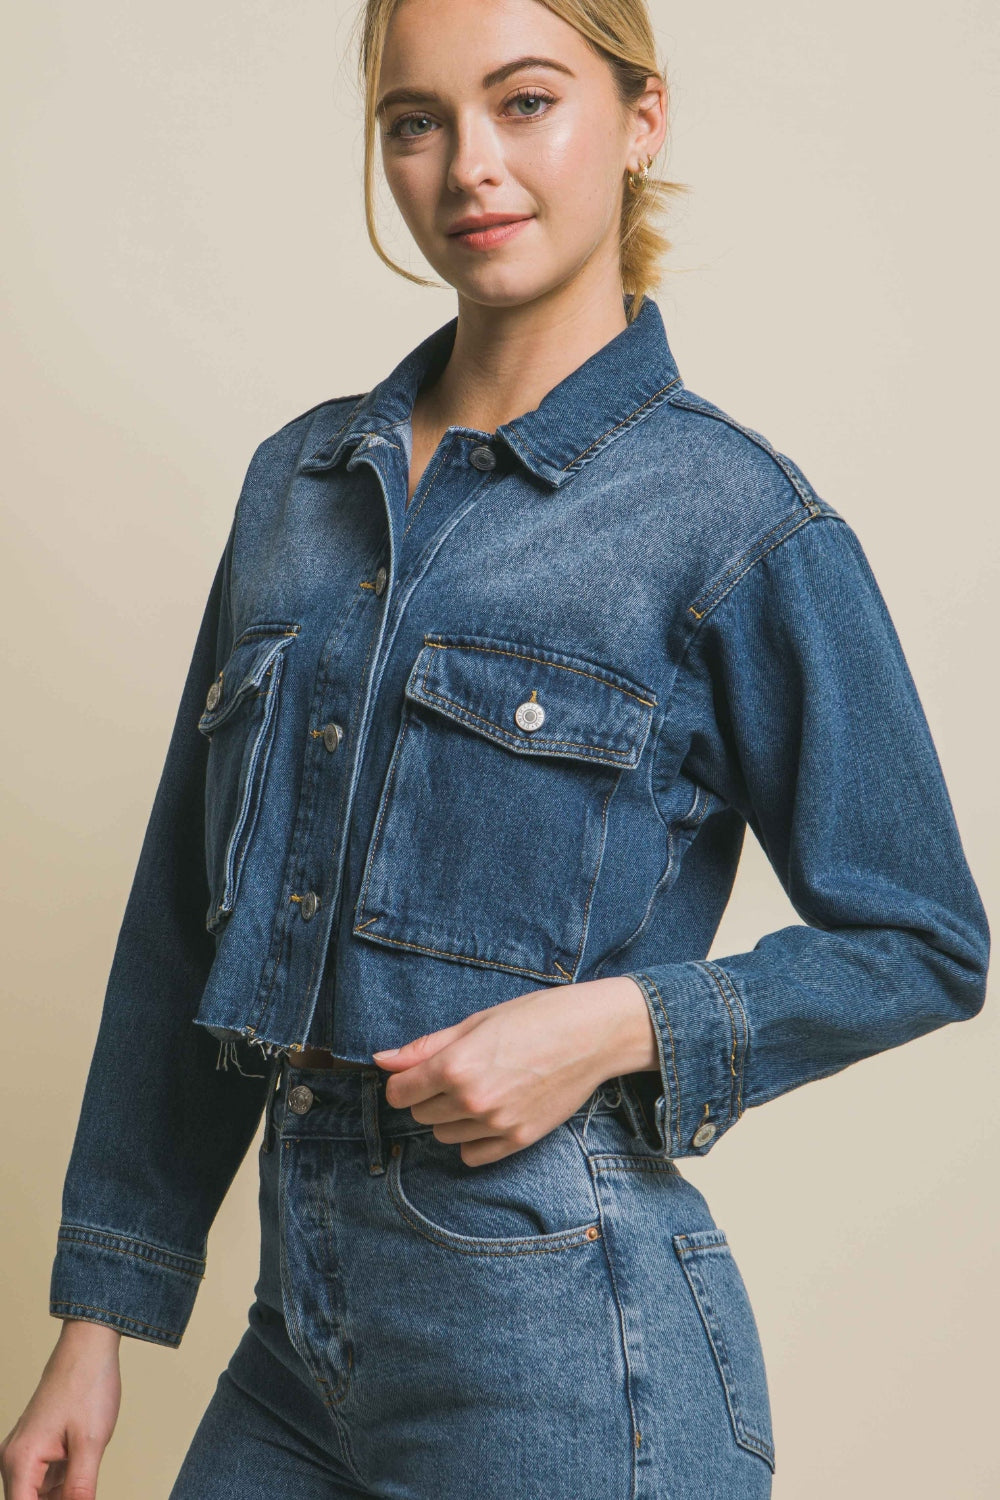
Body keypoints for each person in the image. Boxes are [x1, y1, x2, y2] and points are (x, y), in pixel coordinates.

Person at [1, 0, 990, 1496]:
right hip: (296, 1327)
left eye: (526, 102)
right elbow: (175, 928)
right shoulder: (299, 486)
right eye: (417, 120)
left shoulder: (731, 521)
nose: (469, 163)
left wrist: (611, 1027)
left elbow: (926, 939)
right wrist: (101, 1312)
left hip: (564, 1339)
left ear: (641, 120)